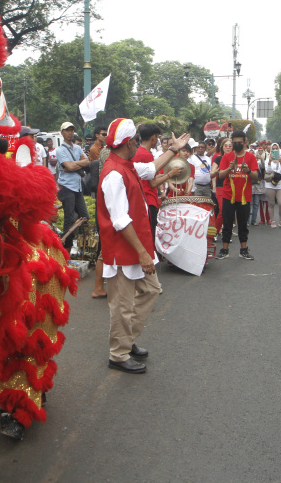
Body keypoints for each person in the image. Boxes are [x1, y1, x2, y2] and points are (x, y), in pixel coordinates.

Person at [98, 118, 190, 373]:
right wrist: (143, 253)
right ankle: (118, 354)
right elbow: (120, 220)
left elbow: (151, 168)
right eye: (135, 141)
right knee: (122, 305)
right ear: (128, 143)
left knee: (150, 291)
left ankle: (126, 341)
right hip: (123, 251)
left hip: (136, 249)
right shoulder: (114, 174)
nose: (137, 144)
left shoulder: (125, 166)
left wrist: (174, 149)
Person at [215, 131, 259, 261]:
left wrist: (248, 171)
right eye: (234, 143)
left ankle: (243, 250)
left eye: (239, 142)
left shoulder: (250, 157)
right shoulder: (227, 157)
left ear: (245, 142)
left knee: (243, 223)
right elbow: (221, 175)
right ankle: (224, 250)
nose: (237, 144)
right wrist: (229, 168)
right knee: (227, 223)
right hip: (229, 195)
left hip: (245, 196)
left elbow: (256, 176)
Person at [56, 122, 90, 250]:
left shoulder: (77, 148)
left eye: (71, 130)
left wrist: (74, 163)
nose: (70, 132)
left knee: (84, 216)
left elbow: (88, 162)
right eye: (67, 130)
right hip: (66, 187)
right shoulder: (60, 150)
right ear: (62, 133)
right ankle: (65, 249)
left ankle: (72, 242)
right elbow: (70, 167)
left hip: (77, 186)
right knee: (69, 219)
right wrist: (76, 164)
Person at [264, 142, 281, 228]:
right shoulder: (267, 160)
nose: (274, 150)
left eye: (276, 149)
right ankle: (272, 220)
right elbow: (268, 171)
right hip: (270, 184)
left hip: (280, 184)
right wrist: (270, 162)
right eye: (273, 149)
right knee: (271, 203)